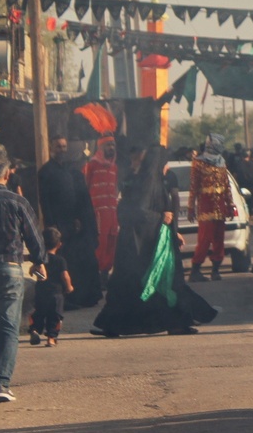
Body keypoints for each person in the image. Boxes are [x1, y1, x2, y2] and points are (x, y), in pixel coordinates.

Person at [91, 144, 217, 338]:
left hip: (153, 242)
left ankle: (177, 323)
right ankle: (114, 325)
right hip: (140, 245)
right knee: (143, 285)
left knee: (164, 284)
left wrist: (172, 230)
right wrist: (161, 219)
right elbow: (138, 211)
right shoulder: (147, 182)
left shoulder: (156, 182)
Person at [0, 145, 45, 403]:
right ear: (8, 174)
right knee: (9, 328)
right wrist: (39, 261)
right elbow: (34, 237)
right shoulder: (18, 202)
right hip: (10, 270)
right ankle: (1, 384)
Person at [37, 137, 101, 308]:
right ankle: (66, 298)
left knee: (80, 260)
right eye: (59, 146)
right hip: (59, 224)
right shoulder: (46, 171)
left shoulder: (73, 170)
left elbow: (81, 198)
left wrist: (81, 219)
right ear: (51, 147)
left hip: (76, 224)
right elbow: (45, 201)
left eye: (64, 146)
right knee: (63, 261)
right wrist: (52, 225)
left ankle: (85, 296)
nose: (62, 149)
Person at [189, 134, 237, 282]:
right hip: (206, 208)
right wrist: (191, 207)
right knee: (204, 240)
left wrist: (230, 205)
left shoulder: (222, 162)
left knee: (219, 240)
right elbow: (194, 187)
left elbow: (226, 186)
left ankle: (215, 270)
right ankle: (195, 271)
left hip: (220, 208)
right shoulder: (198, 163)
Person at [83, 136, 120, 280]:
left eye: (113, 145)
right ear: (100, 147)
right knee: (100, 244)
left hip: (112, 213)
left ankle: (105, 274)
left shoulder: (114, 167)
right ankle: (97, 276)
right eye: (108, 145)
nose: (111, 148)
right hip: (97, 213)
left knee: (112, 243)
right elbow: (85, 187)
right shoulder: (91, 164)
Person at [28, 227, 72, 347]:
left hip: (41, 291)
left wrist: (38, 274)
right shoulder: (60, 260)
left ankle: (35, 330)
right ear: (59, 244)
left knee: (39, 312)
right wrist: (69, 287)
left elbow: (32, 271)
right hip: (56, 294)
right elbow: (65, 276)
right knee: (55, 316)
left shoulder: (40, 259)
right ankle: (51, 338)